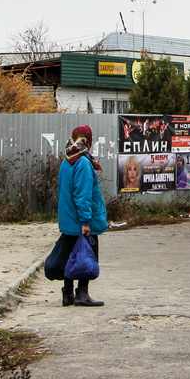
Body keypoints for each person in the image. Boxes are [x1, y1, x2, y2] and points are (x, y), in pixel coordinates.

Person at [57, 124, 107, 307]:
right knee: (85, 256)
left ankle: (67, 294)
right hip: (81, 221)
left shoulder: (67, 159)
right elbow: (83, 195)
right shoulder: (83, 163)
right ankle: (82, 294)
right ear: (87, 140)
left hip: (68, 219)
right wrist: (85, 222)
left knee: (70, 257)